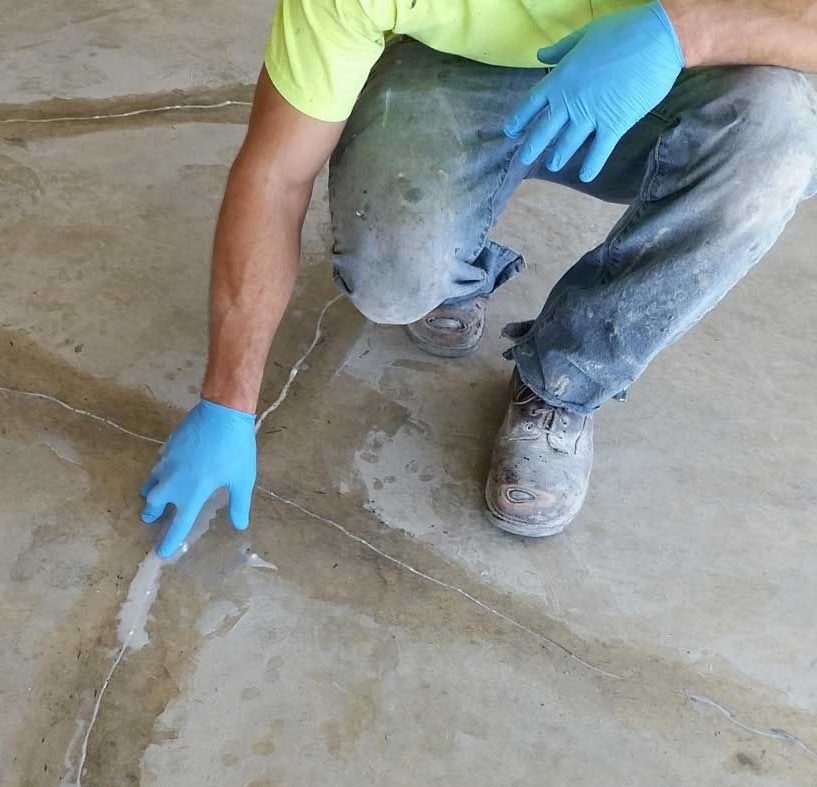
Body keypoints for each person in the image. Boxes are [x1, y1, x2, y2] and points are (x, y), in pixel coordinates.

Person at [139, 0, 817, 554]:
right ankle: (454, 270)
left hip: (672, 59)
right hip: (458, 68)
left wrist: (685, 30)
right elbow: (275, 177)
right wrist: (227, 401)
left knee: (777, 131)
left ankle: (565, 381)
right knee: (392, 274)